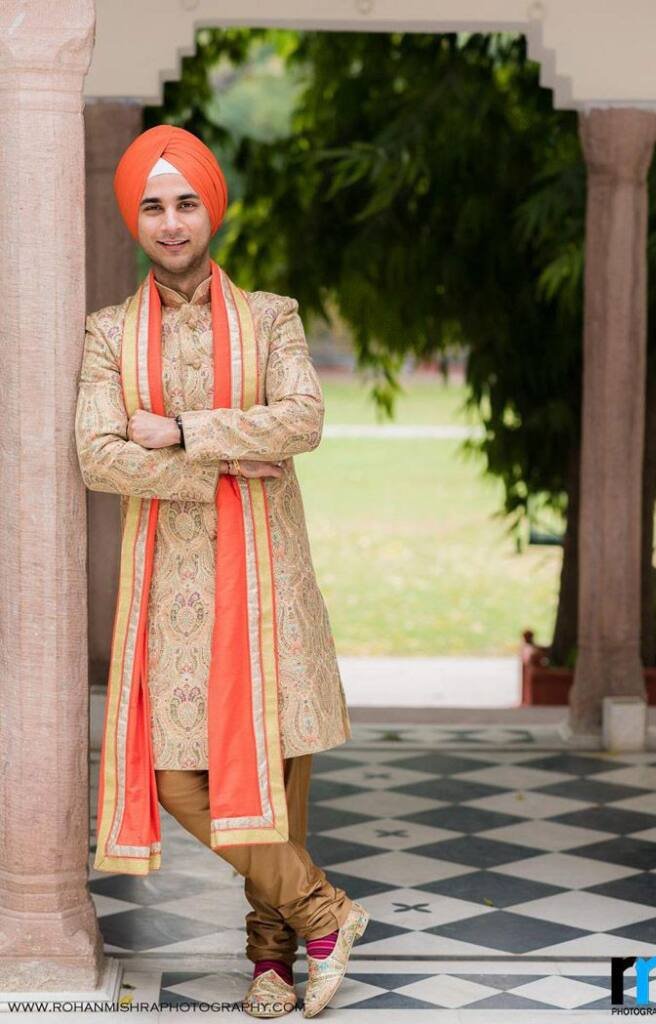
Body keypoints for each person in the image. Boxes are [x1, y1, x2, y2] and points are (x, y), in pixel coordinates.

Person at [75, 124, 369, 1019]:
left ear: (212, 209)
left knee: (273, 777)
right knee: (179, 780)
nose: (170, 222)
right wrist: (224, 464)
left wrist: (180, 431)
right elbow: (97, 454)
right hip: (171, 591)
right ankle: (326, 913)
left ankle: (272, 964)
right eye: (152, 206)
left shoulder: (272, 316)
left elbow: (302, 419)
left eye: (185, 203)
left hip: (269, 581)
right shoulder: (108, 333)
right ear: (134, 219)